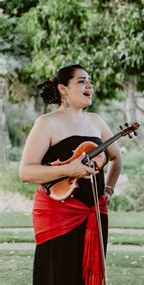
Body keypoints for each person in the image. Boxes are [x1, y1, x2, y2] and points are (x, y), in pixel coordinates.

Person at [19, 64, 122, 285]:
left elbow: (116, 158)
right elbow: (26, 171)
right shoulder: (46, 123)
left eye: (90, 80)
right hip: (57, 213)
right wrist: (69, 170)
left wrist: (109, 190)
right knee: (59, 274)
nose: (89, 85)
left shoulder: (96, 121)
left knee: (89, 275)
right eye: (81, 81)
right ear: (63, 89)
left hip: (94, 212)